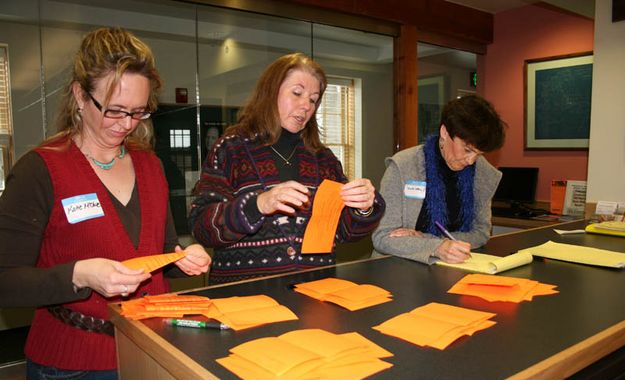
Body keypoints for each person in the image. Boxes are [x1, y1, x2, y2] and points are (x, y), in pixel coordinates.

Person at [0, 27, 211, 380]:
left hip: (153, 352)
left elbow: (160, 253)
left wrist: (182, 259)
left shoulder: (150, 167)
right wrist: (79, 274)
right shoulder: (39, 170)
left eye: (138, 111)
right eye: (114, 110)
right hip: (73, 374)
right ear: (81, 96)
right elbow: (6, 281)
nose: (126, 123)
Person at [189, 52, 385, 283]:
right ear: (270, 92)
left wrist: (363, 207)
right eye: (297, 93)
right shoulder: (231, 149)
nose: (306, 106)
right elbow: (202, 226)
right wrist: (258, 204)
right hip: (246, 298)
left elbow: (345, 232)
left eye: (313, 99)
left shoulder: (323, 159)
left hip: (316, 293)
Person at [372, 94, 505, 264]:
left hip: (456, 269)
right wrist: (436, 247)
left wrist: (429, 240)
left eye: (479, 154)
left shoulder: (483, 173)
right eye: (467, 150)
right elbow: (382, 237)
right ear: (445, 132)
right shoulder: (404, 166)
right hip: (399, 269)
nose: (471, 160)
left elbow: (481, 232)